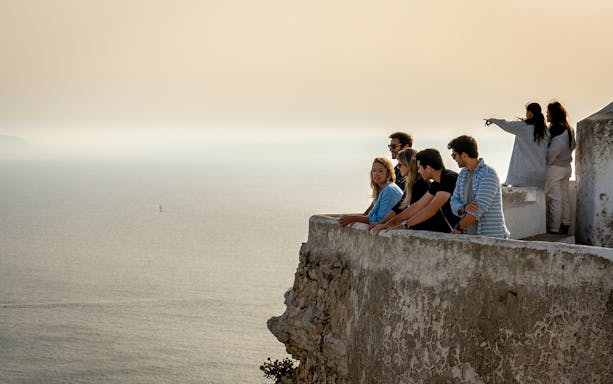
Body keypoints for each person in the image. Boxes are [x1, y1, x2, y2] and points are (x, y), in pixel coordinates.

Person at [372, 148, 459, 233]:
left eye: (420, 168)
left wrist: (404, 225)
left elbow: (431, 209)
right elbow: (417, 206)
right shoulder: (435, 184)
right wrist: (389, 224)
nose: (419, 171)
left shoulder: (448, 178)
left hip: (463, 230)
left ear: (428, 168)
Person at [448, 135, 510, 238]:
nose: (454, 159)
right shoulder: (463, 174)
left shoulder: (488, 174)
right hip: (469, 237)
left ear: (463, 155)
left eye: (454, 155)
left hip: (491, 239)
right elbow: (453, 201)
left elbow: (477, 210)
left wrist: (458, 228)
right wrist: (464, 207)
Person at [485, 102, 548, 187]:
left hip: (523, 175)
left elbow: (506, 124)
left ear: (530, 113)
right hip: (540, 175)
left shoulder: (522, 127)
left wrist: (493, 120)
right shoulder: (545, 130)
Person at [369, 148, 430, 230]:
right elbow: (399, 207)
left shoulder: (421, 184)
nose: (397, 167)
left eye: (400, 164)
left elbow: (413, 209)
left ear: (408, 165)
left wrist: (387, 224)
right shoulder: (412, 184)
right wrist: (382, 223)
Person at [339, 157, 403, 227]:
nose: (376, 174)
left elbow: (380, 220)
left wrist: (353, 218)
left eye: (380, 171)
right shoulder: (382, 189)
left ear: (388, 173)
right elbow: (369, 214)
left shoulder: (390, 191)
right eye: (374, 171)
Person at [545, 101, 576, 234]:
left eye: (548, 113)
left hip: (555, 169)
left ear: (553, 115)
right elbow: (573, 146)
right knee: (565, 198)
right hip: (566, 167)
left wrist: (548, 162)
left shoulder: (556, 131)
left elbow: (551, 155)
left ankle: (555, 229)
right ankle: (566, 224)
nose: (546, 115)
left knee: (555, 199)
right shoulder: (569, 128)